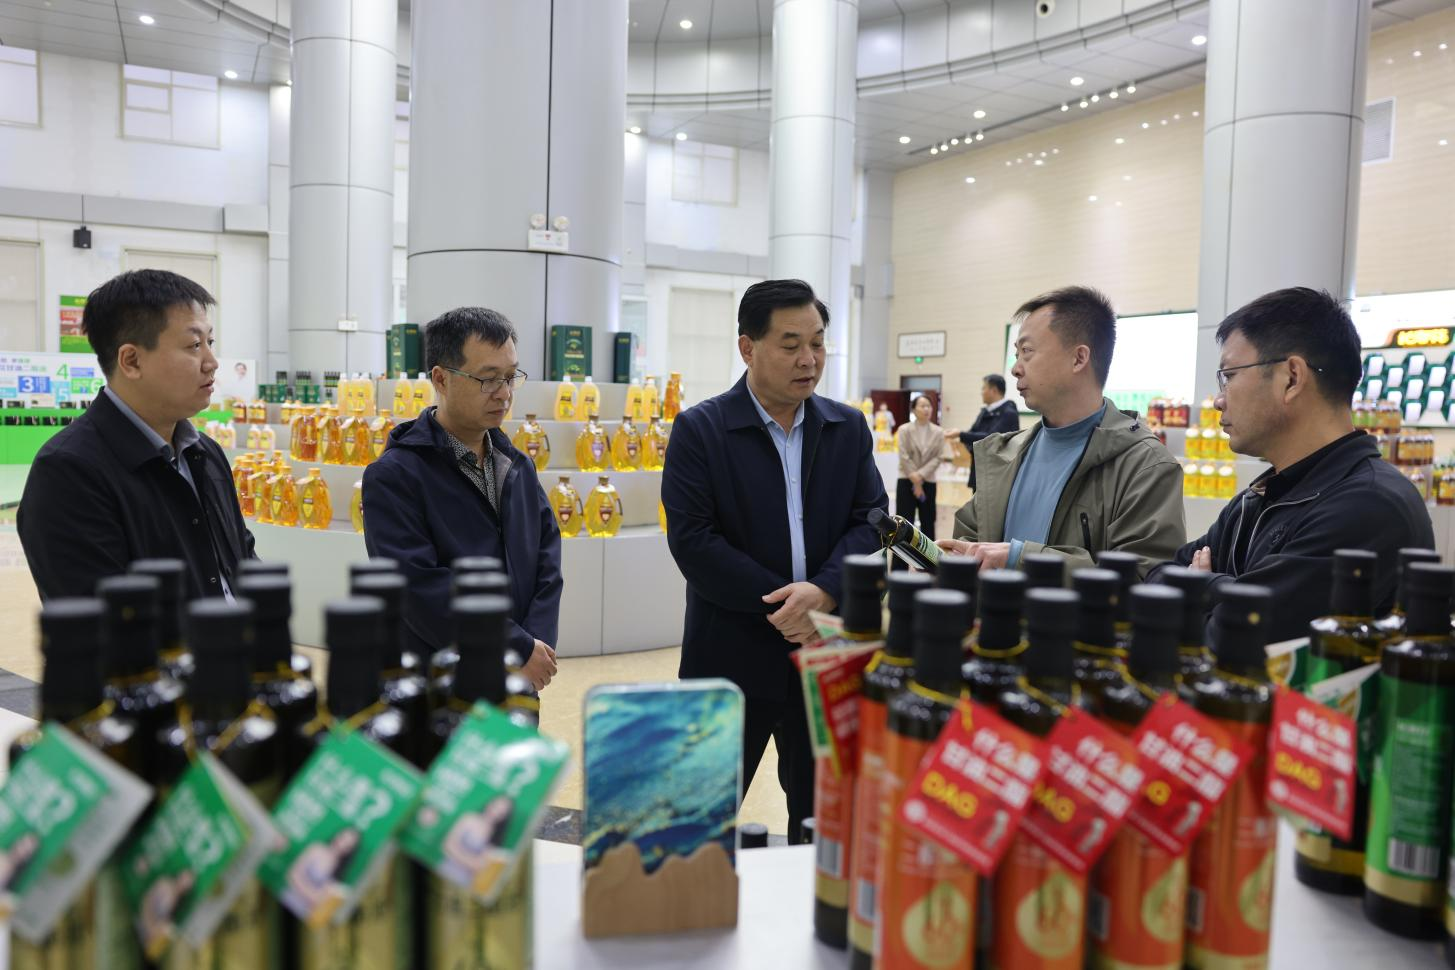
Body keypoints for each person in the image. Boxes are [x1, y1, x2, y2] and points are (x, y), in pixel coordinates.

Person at [661, 279, 889, 843]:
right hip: (730, 657)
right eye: (790, 345)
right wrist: (788, 604)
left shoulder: (846, 428)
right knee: (698, 826)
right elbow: (694, 541)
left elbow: (871, 520)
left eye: (817, 343)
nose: (808, 359)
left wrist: (824, 591)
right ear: (748, 347)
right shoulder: (701, 431)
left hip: (826, 657)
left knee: (825, 825)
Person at [1148, 287, 1434, 642]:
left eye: (1229, 375)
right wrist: (1223, 590)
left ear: (1292, 378)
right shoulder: (1261, 497)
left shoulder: (1366, 506)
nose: (1219, 400)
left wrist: (1205, 586)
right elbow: (1156, 580)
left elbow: (1230, 643)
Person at [19, 270, 255, 600]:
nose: (212, 362)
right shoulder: (69, 473)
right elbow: (100, 618)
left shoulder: (206, 453)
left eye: (210, 343)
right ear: (131, 361)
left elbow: (242, 559)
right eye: (194, 345)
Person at [362, 307, 561, 691]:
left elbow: (547, 557)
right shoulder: (395, 476)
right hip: (444, 684)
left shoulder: (516, 465)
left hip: (520, 678)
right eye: (488, 379)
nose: (504, 393)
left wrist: (536, 645)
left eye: (510, 377)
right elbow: (418, 589)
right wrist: (514, 647)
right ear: (441, 378)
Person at [937, 286, 1184, 576]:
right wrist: (945, 565)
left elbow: (1145, 576)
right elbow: (970, 540)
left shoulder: (1145, 466)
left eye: (1027, 352)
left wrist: (1020, 558)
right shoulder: (1006, 454)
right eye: (1016, 354)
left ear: (1078, 358)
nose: (1015, 369)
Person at [894, 393, 944, 562]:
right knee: (902, 525)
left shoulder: (938, 432)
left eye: (928, 406)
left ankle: (931, 564)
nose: (926, 409)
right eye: (922, 406)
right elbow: (903, 456)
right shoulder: (904, 429)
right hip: (906, 479)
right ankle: (899, 567)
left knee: (928, 523)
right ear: (914, 410)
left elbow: (938, 457)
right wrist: (915, 479)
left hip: (928, 481)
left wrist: (920, 477)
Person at [943, 374, 1019, 449]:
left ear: (994, 390)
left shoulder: (1009, 414)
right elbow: (973, 432)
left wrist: (960, 434)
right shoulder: (985, 411)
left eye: (983, 388)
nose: (981, 393)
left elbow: (991, 439)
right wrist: (958, 434)